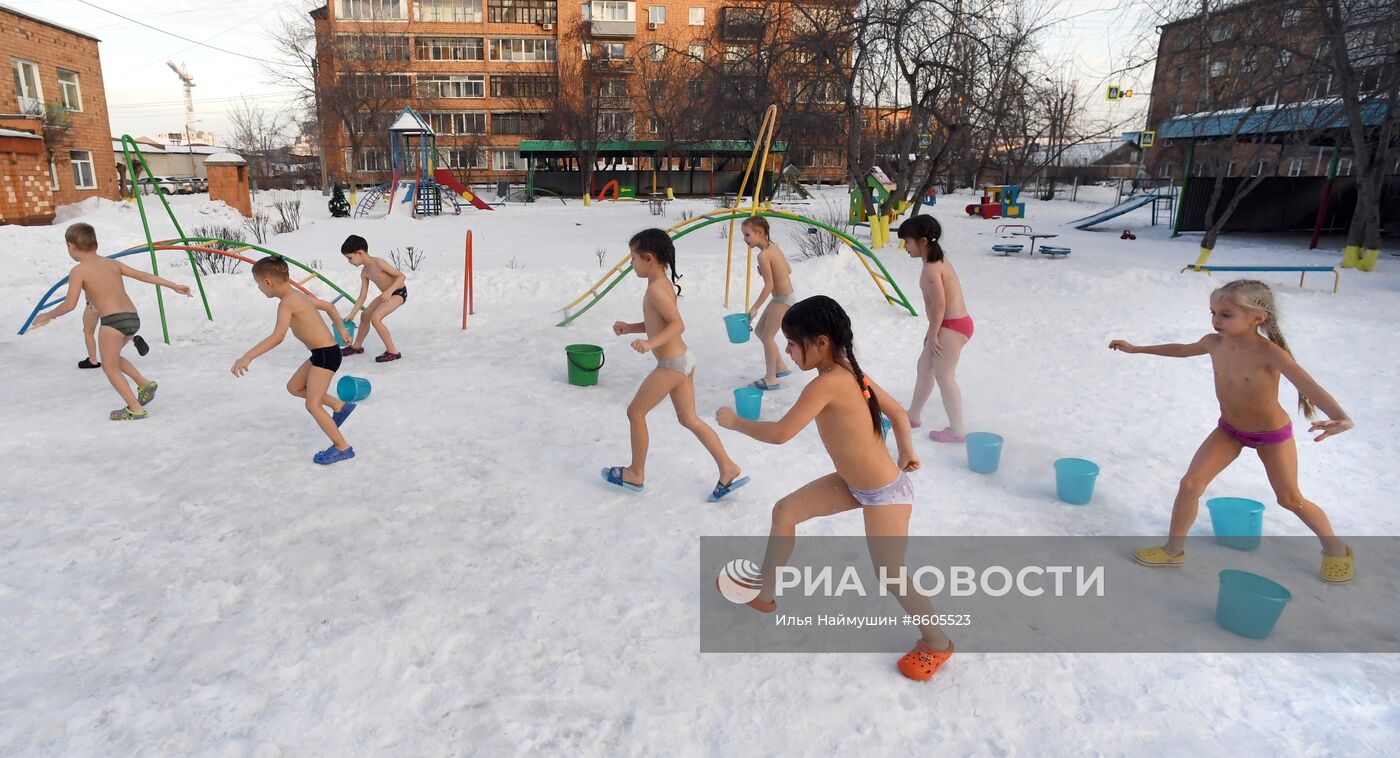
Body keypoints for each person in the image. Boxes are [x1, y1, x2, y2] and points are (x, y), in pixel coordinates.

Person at [715, 295, 954, 681]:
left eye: (793, 343)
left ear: (822, 342)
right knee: (785, 512)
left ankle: (937, 642)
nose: (788, 351)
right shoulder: (848, 370)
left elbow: (780, 434)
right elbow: (895, 410)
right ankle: (764, 593)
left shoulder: (828, 383)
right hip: (853, 483)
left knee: (891, 573)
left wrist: (733, 422)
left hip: (885, 493)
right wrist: (906, 447)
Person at [1110, 279, 1355, 582]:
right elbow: (1182, 350)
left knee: (1290, 499)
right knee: (1190, 484)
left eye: (1226, 315)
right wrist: (1137, 349)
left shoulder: (1270, 353)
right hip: (1229, 430)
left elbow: (1308, 386)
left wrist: (1341, 418)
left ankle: (1336, 548)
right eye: (1213, 312)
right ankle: (1173, 550)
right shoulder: (1214, 343)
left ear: (1257, 318)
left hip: (1271, 436)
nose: (1215, 320)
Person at [603, 228, 749, 501]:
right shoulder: (659, 283)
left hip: (672, 364)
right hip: (683, 361)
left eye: (633, 258)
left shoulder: (657, 289)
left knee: (636, 412)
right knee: (689, 419)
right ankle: (728, 467)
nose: (631, 264)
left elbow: (677, 325)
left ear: (648, 258)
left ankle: (635, 473)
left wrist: (649, 344)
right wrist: (631, 328)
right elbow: (658, 322)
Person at [32, 223, 190, 420]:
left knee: (109, 366)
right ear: (95, 243)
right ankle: (144, 384)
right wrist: (173, 285)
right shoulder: (112, 263)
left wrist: (47, 315)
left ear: (71, 246)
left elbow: (70, 304)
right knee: (112, 357)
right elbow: (142, 275)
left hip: (113, 321)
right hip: (132, 317)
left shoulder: (78, 271)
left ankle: (135, 408)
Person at [232, 256, 357, 465]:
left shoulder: (287, 304)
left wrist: (248, 356)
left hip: (325, 354)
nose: (260, 289)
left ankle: (342, 447)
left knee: (313, 405)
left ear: (268, 282)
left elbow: (277, 337)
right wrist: (341, 329)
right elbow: (328, 306)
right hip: (323, 353)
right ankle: (339, 406)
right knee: (294, 387)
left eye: (258, 285)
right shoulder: (297, 295)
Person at [898, 215, 971, 443]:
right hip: (948, 324)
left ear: (922, 241)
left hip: (953, 325)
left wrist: (933, 334)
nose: (904, 247)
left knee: (944, 375)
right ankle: (913, 415)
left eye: (907, 242)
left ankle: (958, 430)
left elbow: (940, 305)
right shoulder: (935, 261)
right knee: (925, 366)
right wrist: (932, 333)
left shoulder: (932, 268)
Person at [742, 217, 797, 391]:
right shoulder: (775, 248)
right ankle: (780, 366)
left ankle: (771, 378)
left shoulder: (763, 255)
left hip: (783, 299)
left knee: (767, 337)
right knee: (760, 331)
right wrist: (768, 270)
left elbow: (770, 285)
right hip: (782, 298)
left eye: (747, 235)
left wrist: (755, 308)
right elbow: (788, 269)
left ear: (760, 233)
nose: (745, 239)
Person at [339, 234, 406, 362]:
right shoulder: (365, 272)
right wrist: (352, 314)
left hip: (399, 292)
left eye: (350, 258)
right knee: (365, 316)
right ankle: (357, 346)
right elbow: (362, 296)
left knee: (376, 318)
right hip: (387, 294)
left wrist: (390, 290)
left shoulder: (378, 263)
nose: (349, 262)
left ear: (360, 253)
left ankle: (393, 352)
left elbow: (401, 276)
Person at [78, 301, 149, 370]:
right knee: (118, 328)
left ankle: (92, 360)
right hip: (112, 304)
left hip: (93, 304)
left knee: (88, 331)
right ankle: (134, 339)